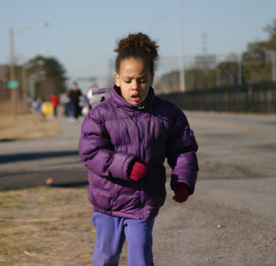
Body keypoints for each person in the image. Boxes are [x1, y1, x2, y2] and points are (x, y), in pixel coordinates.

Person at [79, 33, 199, 266]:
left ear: (152, 78)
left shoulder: (168, 114)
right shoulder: (100, 115)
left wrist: (183, 179)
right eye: (128, 80)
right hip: (108, 202)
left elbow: (184, 150)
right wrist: (125, 165)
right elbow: (90, 152)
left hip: (143, 201)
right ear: (117, 79)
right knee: (106, 257)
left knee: (141, 258)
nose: (135, 87)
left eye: (142, 80)